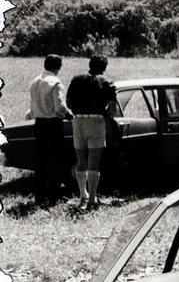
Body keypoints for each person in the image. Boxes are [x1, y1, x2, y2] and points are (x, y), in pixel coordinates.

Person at [66, 55, 116, 210]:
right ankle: (92, 198)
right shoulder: (105, 81)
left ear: (90, 64)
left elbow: (68, 102)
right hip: (95, 121)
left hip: (78, 120)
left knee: (81, 161)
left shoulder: (76, 79)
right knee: (94, 162)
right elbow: (112, 108)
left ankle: (83, 195)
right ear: (105, 67)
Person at [26, 54, 74, 206]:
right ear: (58, 67)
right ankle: (54, 195)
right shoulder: (55, 82)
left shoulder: (35, 81)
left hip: (39, 124)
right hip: (53, 124)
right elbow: (59, 106)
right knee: (56, 159)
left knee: (40, 160)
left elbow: (32, 106)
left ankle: (40, 195)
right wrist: (68, 114)